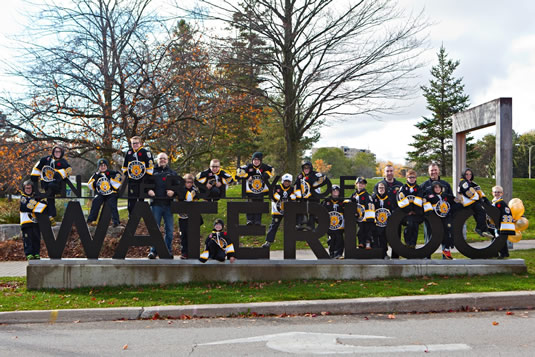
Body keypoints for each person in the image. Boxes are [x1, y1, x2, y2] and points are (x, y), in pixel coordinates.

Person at [146, 153, 179, 259]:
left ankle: (166, 251)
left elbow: (179, 187)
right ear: (157, 160)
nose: (162, 160)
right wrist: (148, 190)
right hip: (156, 205)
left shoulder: (172, 173)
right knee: (155, 229)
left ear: (167, 160)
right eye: (160, 158)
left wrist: (173, 191)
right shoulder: (151, 172)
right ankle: (153, 251)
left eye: (164, 158)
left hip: (169, 205)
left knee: (169, 231)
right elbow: (144, 185)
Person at [30, 146, 72, 220]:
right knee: (50, 198)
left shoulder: (63, 161)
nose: (57, 153)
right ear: (53, 152)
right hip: (46, 183)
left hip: (58, 184)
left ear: (61, 153)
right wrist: (34, 175)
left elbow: (69, 170)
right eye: (56, 151)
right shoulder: (45, 159)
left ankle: (51, 214)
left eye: (59, 151)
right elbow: (37, 167)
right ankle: (51, 215)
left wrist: (59, 174)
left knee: (51, 188)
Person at [420, 163, 454, 252]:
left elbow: (451, 199)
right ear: (428, 172)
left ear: (438, 171)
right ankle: (427, 257)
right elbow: (420, 201)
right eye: (431, 170)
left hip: (444, 216)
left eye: (435, 170)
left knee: (445, 236)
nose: (433, 172)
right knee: (429, 239)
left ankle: (446, 256)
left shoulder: (445, 184)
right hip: (429, 218)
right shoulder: (424, 186)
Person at [236, 152, 274, 225]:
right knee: (249, 204)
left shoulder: (264, 166)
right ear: (252, 160)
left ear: (260, 161)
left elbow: (272, 170)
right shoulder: (248, 166)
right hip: (250, 190)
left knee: (259, 205)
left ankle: (257, 221)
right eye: (254, 160)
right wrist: (247, 176)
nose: (256, 161)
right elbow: (239, 171)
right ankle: (249, 220)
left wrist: (266, 175)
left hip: (261, 190)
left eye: (258, 160)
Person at [262, 173, 297, 248]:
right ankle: (268, 241)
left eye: (288, 181)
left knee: (290, 226)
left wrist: (284, 197)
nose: (286, 183)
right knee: (273, 225)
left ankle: (290, 243)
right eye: (285, 181)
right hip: (277, 211)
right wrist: (283, 198)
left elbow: (293, 197)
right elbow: (274, 197)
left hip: (288, 211)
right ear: (282, 181)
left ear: (290, 182)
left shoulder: (292, 189)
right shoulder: (276, 187)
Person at [122, 136, 154, 216]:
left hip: (142, 182)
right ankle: (131, 219)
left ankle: (139, 218)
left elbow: (150, 168)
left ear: (140, 143)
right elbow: (124, 167)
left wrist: (144, 178)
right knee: (131, 202)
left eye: (136, 143)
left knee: (140, 202)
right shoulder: (129, 153)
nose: (135, 145)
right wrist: (129, 176)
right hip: (132, 182)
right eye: (133, 143)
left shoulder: (146, 153)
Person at [423, 181, 456, 259]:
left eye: (439, 187)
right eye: (435, 187)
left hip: (444, 218)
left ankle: (446, 252)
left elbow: (453, 199)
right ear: (433, 188)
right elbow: (424, 199)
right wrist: (424, 199)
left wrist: (459, 200)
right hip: (434, 220)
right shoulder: (430, 196)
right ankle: (427, 255)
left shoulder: (445, 196)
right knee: (432, 238)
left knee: (447, 234)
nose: (437, 189)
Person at [457, 168, 493, 238]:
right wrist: (480, 199)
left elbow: (480, 192)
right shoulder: (463, 182)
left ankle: (483, 230)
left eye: (470, 174)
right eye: (466, 174)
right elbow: (468, 193)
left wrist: (486, 201)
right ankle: (480, 228)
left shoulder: (473, 183)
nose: (468, 176)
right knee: (481, 211)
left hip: (474, 202)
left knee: (480, 213)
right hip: (468, 202)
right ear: (463, 175)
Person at [86, 158, 122, 227]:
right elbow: (90, 185)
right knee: (95, 202)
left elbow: (118, 179)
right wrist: (96, 177)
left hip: (111, 193)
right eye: (101, 166)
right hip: (101, 193)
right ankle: (91, 220)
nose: (102, 167)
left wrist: (111, 179)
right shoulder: (96, 175)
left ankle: (116, 221)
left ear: (107, 166)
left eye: (104, 165)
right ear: (98, 167)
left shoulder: (113, 173)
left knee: (112, 205)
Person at [294, 161, 328, 231]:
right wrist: (298, 194)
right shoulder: (300, 176)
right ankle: (299, 225)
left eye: (307, 168)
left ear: (310, 168)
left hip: (314, 197)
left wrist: (317, 183)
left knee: (313, 213)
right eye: (304, 168)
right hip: (304, 197)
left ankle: (311, 228)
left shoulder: (315, 174)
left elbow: (324, 177)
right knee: (299, 209)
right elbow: (296, 185)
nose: (306, 169)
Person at [19, 180, 48, 260]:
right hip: (26, 223)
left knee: (36, 239)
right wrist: (38, 205)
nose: (28, 190)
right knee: (28, 239)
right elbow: (25, 207)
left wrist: (36, 205)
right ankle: (29, 254)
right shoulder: (23, 198)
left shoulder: (35, 197)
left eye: (30, 188)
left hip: (35, 223)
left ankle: (36, 253)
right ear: (24, 189)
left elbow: (45, 205)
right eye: (26, 188)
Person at [397, 169, 424, 249]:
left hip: (416, 213)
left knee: (415, 226)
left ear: (416, 178)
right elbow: (402, 201)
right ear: (407, 178)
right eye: (410, 177)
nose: (411, 179)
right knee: (409, 226)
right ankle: (408, 242)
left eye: (413, 177)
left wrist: (414, 211)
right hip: (406, 214)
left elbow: (419, 200)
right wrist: (408, 211)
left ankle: (413, 244)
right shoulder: (403, 188)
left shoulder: (419, 188)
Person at [177, 173, 201, 259]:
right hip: (182, 216)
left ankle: (193, 252)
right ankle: (184, 253)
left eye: (191, 182)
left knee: (193, 234)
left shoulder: (195, 190)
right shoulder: (180, 189)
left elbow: (196, 197)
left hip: (193, 216)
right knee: (184, 235)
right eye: (187, 182)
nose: (189, 184)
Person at [489, 185, 516, 258]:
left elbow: (504, 214)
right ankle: (494, 252)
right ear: (492, 193)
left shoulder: (501, 203)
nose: (497, 193)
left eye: (499, 192)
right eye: (495, 192)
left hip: (500, 224)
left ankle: (503, 253)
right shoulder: (494, 202)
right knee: (494, 238)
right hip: (494, 224)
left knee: (499, 239)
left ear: (502, 193)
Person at [372, 181, 396, 259]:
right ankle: (376, 253)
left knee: (384, 238)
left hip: (386, 223)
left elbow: (392, 209)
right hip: (376, 223)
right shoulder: (374, 198)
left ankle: (384, 254)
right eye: (379, 188)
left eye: (382, 187)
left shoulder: (389, 198)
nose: (381, 189)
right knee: (376, 238)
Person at [350, 177, 375, 249]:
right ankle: (361, 243)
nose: (361, 185)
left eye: (363, 183)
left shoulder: (367, 195)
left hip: (366, 218)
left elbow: (370, 207)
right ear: (356, 184)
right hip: (358, 217)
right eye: (359, 183)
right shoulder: (354, 195)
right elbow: (349, 203)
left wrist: (370, 219)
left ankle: (368, 243)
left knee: (367, 231)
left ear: (365, 185)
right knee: (360, 231)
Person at [322, 185, 345, 258]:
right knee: (331, 240)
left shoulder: (342, 201)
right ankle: (331, 253)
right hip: (330, 226)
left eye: (337, 190)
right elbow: (320, 211)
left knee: (339, 239)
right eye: (333, 191)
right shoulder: (326, 201)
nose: (335, 192)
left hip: (339, 225)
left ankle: (338, 254)